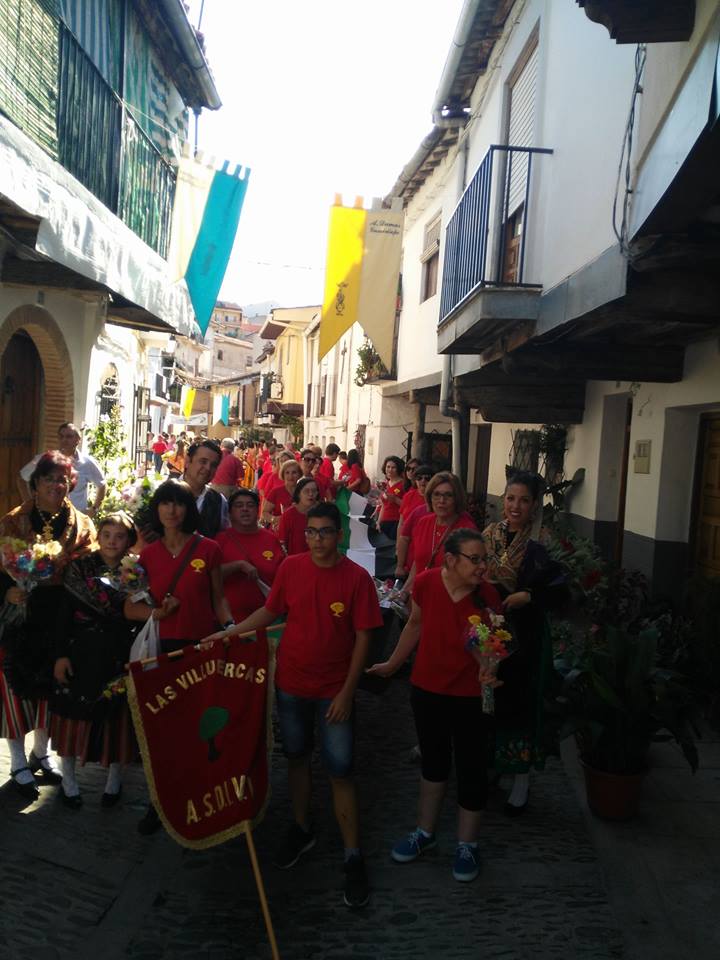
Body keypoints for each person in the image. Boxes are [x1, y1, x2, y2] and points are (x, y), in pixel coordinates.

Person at [206, 502, 383, 909]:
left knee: (341, 770)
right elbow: (271, 611)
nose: (317, 539)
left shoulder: (357, 579)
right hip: (292, 685)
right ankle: (303, 828)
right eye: (311, 532)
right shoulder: (291, 568)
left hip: (333, 690)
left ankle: (353, 855)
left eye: (325, 532)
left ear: (339, 535)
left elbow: (363, 639)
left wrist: (346, 692)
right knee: (298, 758)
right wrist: (229, 635)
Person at [367, 530, 502, 882]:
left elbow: (492, 649)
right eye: (476, 559)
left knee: (471, 767)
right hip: (427, 689)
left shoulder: (487, 596)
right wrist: (393, 664)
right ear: (452, 559)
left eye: (484, 558)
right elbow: (415, 624)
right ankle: (425, 834)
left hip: (470, 696)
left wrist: (490, 669)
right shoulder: (426, 583)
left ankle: (467, 845)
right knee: (433, 762)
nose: (483, 566)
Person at [125, 479, 234, 835]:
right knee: (164, 730)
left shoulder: (210, 549)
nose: (172, 510)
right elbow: (132, 607)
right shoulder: (147, 556)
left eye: (179, 504)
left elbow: (218, 598)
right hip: (161, 650)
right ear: (157, 510)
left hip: (201, 646)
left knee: (201, 727)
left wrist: (230, 628)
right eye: (165, 503)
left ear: (189, 510)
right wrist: (156, 614)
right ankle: (161, 802)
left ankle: (199, 797)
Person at [1, 452, 96, 799]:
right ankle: (15, 760)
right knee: (15, 691)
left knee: (51, 691)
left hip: (61, 616)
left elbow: (90, 574)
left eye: (62, 479)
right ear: (35, 484)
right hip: (22, 616)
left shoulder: (84, 525)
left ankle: (41, 753)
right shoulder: (13, 522)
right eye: (48, 479)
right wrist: (8, 591)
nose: (56, 485)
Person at [482, 470, 567, 815]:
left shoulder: (544, 540)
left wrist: (529, 595)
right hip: (492, 630)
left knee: (520, 702)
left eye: (524, 500)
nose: (515, 506)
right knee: (491, 699)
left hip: (527, 633)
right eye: (510, 498)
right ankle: (496, 766)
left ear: (535, 505)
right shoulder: (489, 534)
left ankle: (522, 779)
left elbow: (560, 589)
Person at [51, 513, 141, 808]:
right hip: (81, 649)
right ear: (98, 537)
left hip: (118, 650)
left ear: (129, 540)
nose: (112, 541)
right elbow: (62, 615)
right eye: (106, 535)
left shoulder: (135, 571)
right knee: (71, 712)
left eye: (120, 536)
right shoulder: (78, 568)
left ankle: (114, 781)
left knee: (116, 713)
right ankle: (68, 780)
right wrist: (61, 654)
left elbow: (138, 614)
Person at [401, 471, 477, 597]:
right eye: (436, 494)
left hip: (449, 599)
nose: (442, 500)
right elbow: (418, 562)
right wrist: (405, 590)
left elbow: (471, 575)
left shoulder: (467, 530)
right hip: (419, 597)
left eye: (448, 495)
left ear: (457, 499)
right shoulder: (424, 523)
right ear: (429, 497)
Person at [215, 489, 284, 625]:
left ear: (257, 510)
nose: (245, 509)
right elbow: (208, 576)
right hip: (230, 623)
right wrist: (238, 565)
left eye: (250, 505)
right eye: (239, 506)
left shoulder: (271, 539)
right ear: (230, 512)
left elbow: (283, 577)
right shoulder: (219, 540)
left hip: (267, 622)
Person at [18, 423, 106, 518]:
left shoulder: (87, 463)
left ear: (78, 440)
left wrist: (94, 509)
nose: (64, 440)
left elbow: (102, 485)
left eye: (69, 436)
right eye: (61, 436)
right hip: (46, 517)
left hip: (75, 518)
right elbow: (21, 478)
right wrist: (29, 504)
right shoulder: (44, 460)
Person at [182, 439, 229, 538]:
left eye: (213, 465)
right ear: (187, 461)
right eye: (203, 461)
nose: (208, 468)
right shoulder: (162, 492)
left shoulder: (219, 501)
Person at [395, 464, 433, 579]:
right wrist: (398, 548)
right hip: (407, 546)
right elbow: (401, 524)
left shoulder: (435, 501)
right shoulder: (408, 496)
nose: (423, 481)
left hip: (424, 549)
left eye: (427, 478)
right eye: (419, 478)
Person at [278, 476, 319, 555]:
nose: (311, 494)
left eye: (314, 491)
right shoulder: (288, 515)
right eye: (306, 491)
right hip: (295, 561)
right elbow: (282, 543)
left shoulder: (322, 512)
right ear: (299, 494)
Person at [261, 458, 301, 527]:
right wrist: (275, 519)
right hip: (279, 530)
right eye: (287, 473)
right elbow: (265, 513)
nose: (290, 476)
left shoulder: (303, 490)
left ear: (299, 474)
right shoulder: (276, 492)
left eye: (294, 472)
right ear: (283, 475)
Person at [377, 456, 405, 541]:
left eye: (393, 467)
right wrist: (378, 522)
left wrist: (395, 499)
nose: (390, 470)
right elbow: (384, 505)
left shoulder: (403, 484)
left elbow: (408, 505)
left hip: (396, 522)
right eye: (388, 467)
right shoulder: (386, 484)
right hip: (384, 522)